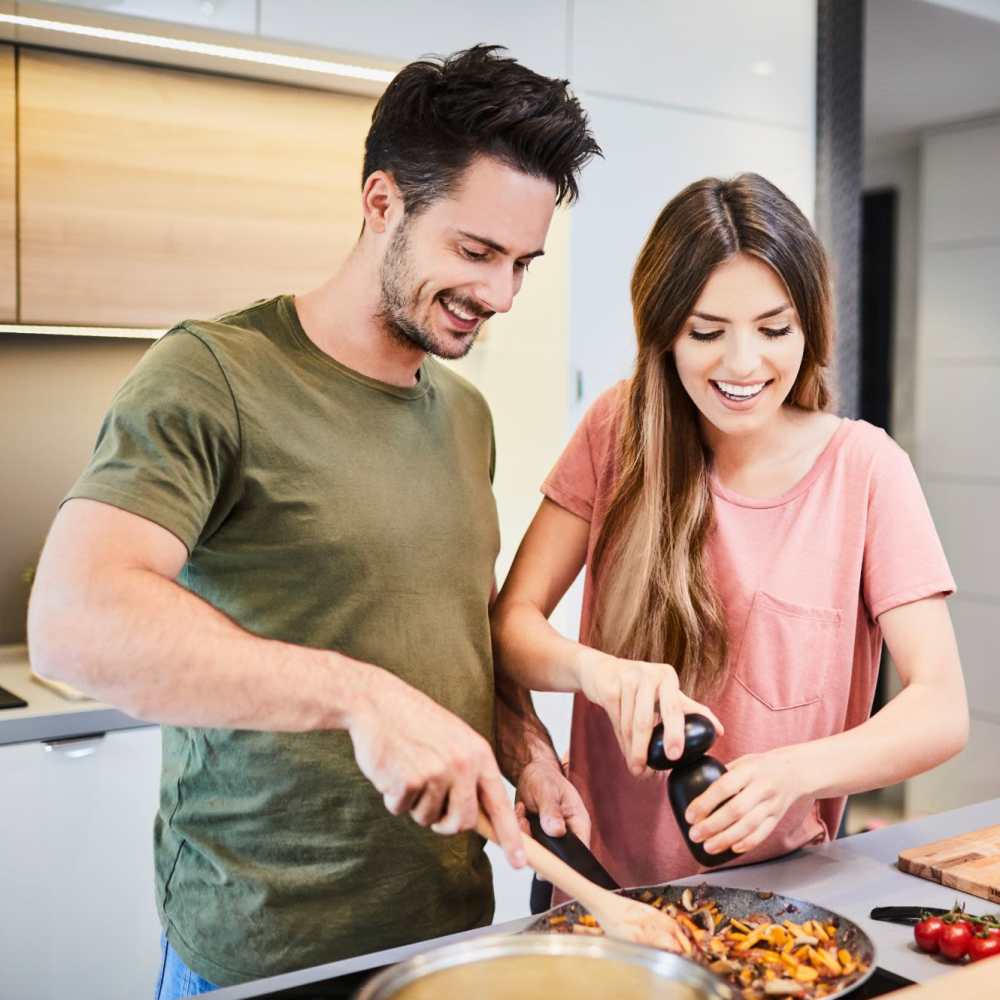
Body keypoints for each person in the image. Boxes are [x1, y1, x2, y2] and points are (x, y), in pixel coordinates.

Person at [27, 45, 601, 996]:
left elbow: (451, 627)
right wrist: (360, 697)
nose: (499, 295)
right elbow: (74, 619)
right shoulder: (212, 373)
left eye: (522, 264)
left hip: (444, 937)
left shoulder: (465, 416)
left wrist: (524, 740)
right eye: (475, 251)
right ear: (382, 202)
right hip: (259, 953)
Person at [491, 173, 968, 892]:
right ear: (665, 333)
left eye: (775, 330)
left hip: (786, 896)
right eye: (707, 333)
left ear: (809, 329)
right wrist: (597, 671)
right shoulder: (618, 432)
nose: (743, 365)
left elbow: (940, 707)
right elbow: (510, 626)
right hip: (601, 888)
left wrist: (794, 773)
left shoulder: (866, 471)